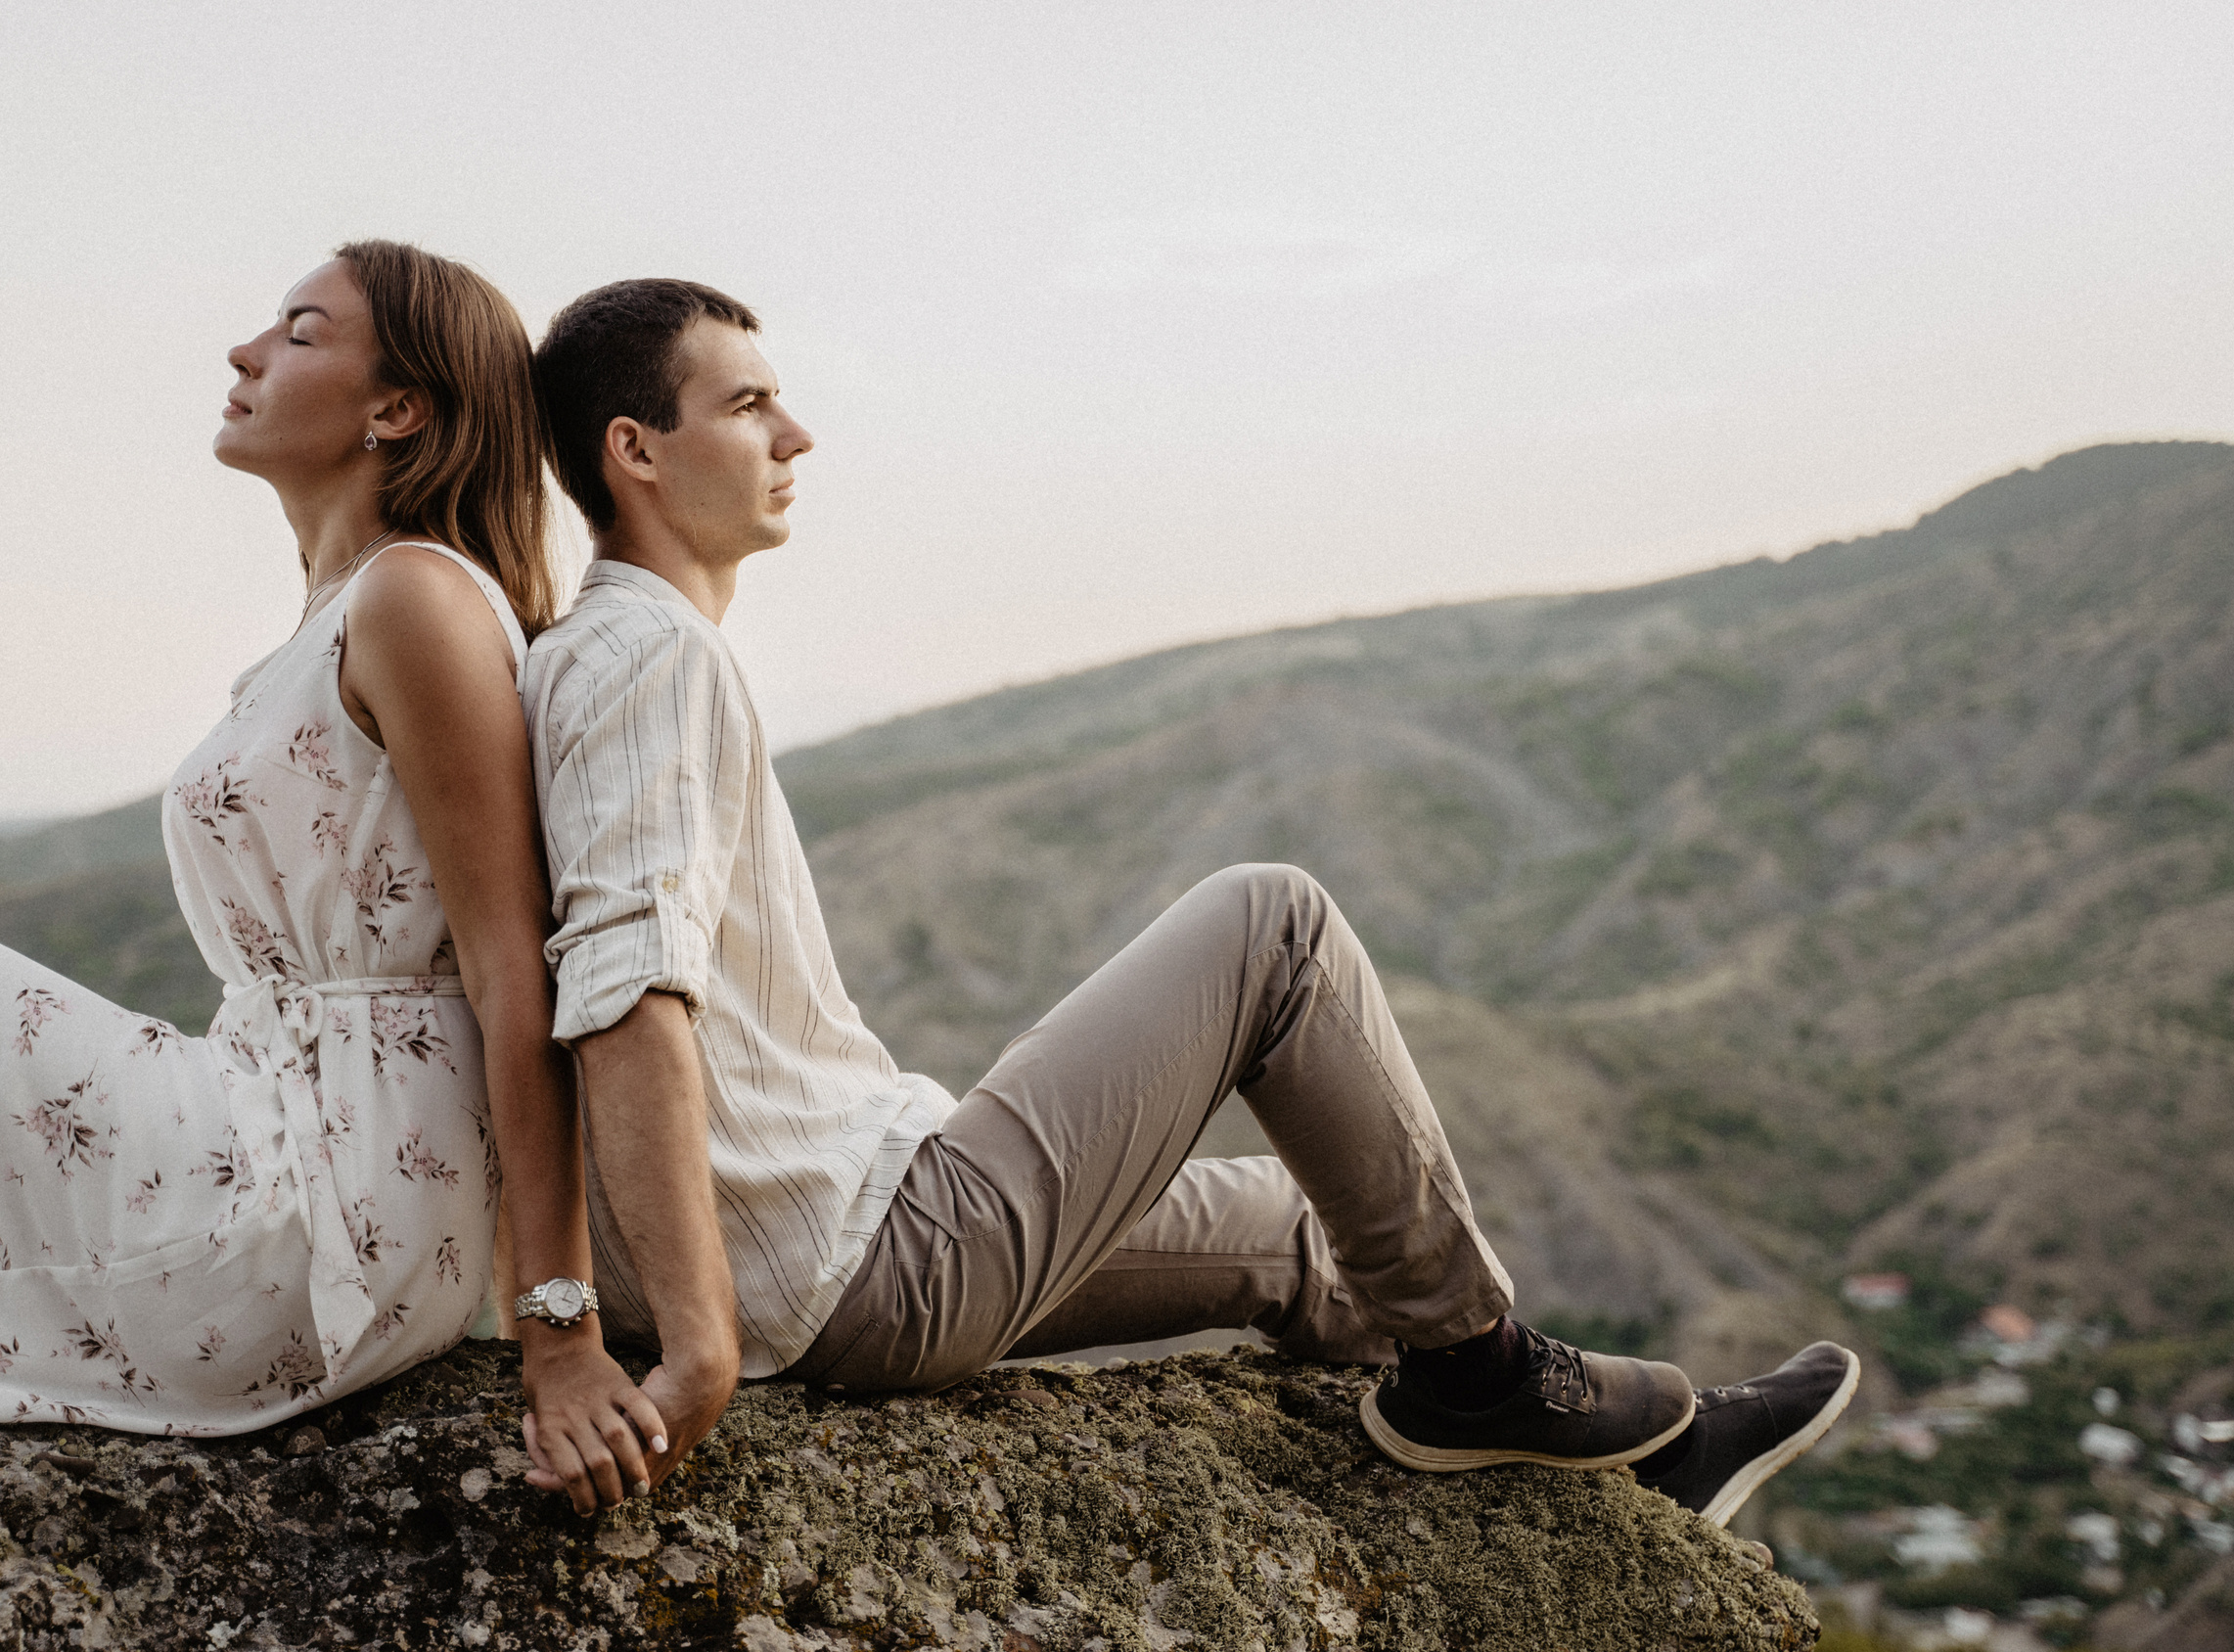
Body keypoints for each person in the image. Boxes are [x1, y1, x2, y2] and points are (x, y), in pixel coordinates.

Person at [515, 278, 1860, 1524]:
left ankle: (1639, 1465)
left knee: (1299, 1227)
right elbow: (626, 996)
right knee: (1274, 921)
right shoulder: (647, 652)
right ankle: (1481, 1373)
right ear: (635, 450)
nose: (796, 434)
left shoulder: (612, 655)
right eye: (749, 404)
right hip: (856, 1260)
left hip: (859, 1229)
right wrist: (694, 1338)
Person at [0, 244, 658, 1502]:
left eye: (299, 331)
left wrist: (557, 1328)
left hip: (330, 1198)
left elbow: (511, 970)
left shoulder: (417, 600)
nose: (245, 352)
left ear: (396, 408)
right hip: (261, 1108)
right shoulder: (336, 615)